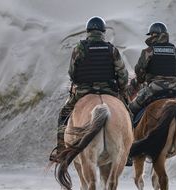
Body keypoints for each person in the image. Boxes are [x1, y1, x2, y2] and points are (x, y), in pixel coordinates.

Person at [49, 16, 129, 162]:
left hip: (83, 92)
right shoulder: (111, 49)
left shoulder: (79, 48)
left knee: (64, 114)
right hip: (109, 91)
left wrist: (80, 80)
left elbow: (72, 73)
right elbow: (123, 74)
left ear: (88, 31)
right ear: (103, 32)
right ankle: (128, 150)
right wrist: (122, 89)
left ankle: (61, 150)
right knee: (128, 114)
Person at [128, 22, 176, 117]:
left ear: (153, 35)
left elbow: (139, 71)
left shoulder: (148, 51)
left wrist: (142, 79)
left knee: (131, 110)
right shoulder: (173, 49)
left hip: (154, 88)